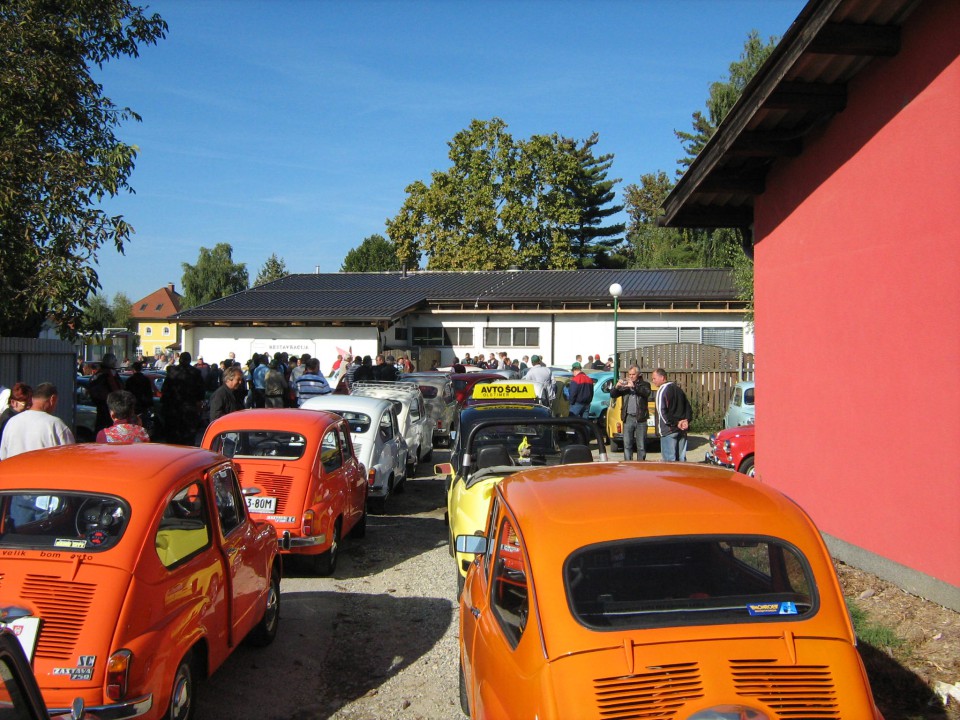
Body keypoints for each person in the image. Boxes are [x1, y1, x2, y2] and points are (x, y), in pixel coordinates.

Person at [0, 383, 74, 459]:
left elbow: (3, 456)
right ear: (52, 399)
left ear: (32, 399)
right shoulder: (56, 425)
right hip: (44, 470)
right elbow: (70, 458)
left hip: (14, 470)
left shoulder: (11, 423)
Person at [161, 352, 205, 445]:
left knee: (173, 435)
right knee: (188, 436)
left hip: (173, 407)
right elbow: (201, 392)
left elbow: (165, 389)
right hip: (189, 407)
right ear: (189, 360)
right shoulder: (195, 373)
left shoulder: (172, 371)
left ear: (180, 359)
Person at [610, 365, 652, 461]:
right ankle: (628, 464)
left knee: (641, 445)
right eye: (630, 374)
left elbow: (646, 393)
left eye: (633, 374)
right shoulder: (626, 386)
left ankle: (640, 465)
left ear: (638, 374)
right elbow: (612, 394)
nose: (631, 376)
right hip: (628, 417)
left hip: (640, 418)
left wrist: (634, 387)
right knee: (627, 444)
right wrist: (616, 387)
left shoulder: (644, 384)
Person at [652, 368, 693, 462]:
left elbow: (662, 412)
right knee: (681, 459)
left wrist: (676, 423)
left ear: (662, 377)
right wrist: (686, 420)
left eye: (654, 378)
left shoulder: (662, 391)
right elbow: (688, 408)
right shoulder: (679, 389)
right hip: (682, 430)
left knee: (670, 461)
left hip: (669, 431)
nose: (653, 381)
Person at [88, 353, 123, 434]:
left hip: (100, 404)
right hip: (110, 405)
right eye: (114, 360)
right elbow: (116, 389)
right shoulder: (110, 373)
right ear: (111, 362)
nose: (116, 362)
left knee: (100, 427)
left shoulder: (98, 374)